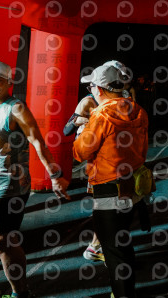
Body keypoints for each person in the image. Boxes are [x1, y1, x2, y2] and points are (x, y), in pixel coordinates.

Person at [73, 62, 151, 298]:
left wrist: (81, 132)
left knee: (115, 253)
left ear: (100, 88)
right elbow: (143, 150)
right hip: (133, 188)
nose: (91, 90)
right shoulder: (139, 111)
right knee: (123, 244)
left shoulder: (101, 115)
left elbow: (80, 152)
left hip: (108, 191)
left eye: (91, 86)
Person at [0, 60, 70, 298]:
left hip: (9, 186)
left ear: (9, 82)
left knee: (3, 241)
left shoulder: (15, 109)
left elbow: (38, 143)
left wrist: (55, 175)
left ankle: (20, 293)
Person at [63, 91, 105, 263]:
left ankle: (99, 245)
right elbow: (67, 130)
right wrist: (78, 121)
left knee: (112, 205)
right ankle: (95, 246)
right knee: (104, 205)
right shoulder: (88, 101)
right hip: (97, 161)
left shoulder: (119, 98)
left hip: (112, 158)